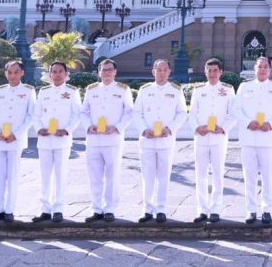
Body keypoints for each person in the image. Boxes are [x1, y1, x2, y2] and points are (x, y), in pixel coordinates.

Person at [234, 55, 272, 225]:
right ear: (255, 69)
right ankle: (251, 209)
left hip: (268, 138)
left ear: (270, 70)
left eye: (266, 67)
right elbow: (236, 109)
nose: (263, 69)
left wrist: (271, 124)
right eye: (260, 67)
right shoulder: (244, 87)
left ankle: (267, 209)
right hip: (248, 137)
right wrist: (247, 122)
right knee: (249, 176)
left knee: (267, 176)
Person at [134, 58, 188, 224]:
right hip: (148, 140)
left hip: (165, 140)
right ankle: (147, 209)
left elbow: (182, 113)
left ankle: (161, 209)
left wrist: (170, 128)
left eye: (165, 70)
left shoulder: (176, 90)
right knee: (147, 176)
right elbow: (137, 113)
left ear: (169, 72)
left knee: (164, 176)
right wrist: (144, 129)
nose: (162, 73)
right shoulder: (144, 90)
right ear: (153, 72)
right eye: (159, 70)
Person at [81, 58, 134, 223]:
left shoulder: (123, 90)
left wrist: (117, 127)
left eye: (110, 69)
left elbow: (129, 112)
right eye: (104, 70)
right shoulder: (91, 89)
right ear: (99, 72)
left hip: (112, 138)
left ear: (115, 72)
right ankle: (96, 209)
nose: (107, 73)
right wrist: (89, 126)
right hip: (94, 139)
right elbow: (84, 112)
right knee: (94, 176)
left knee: (112, 175)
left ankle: (110, 209)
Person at [0, 60, 36, 223]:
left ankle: (9, 210)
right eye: (9, 72)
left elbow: (30, 116)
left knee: (12, 176)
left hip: (16, 139)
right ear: (5, 73)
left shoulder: (28, 91)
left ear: (22, 73)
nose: (12, 75)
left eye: (16, 72)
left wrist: (18, 133)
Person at [33, 61, 83, 223]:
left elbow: (77, 115)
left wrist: (67, 129)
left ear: (66, 74)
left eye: (60, 71)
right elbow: (36, 115)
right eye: (54, 71)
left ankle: (59, 209)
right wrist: (40, 128)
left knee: (60, 174)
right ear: (49, 74)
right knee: (45, 175)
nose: (57, 74)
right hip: (45, 139)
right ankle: (45, 209)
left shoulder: (72, 92)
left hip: (62, 139)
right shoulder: (43, 92)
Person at [189, 57, 236, 223]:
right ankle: (202, 209)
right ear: (205, 72)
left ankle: (215, 208)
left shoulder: (228, 90)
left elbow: (232, 114)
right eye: (209, 70)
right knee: (200, 175)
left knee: (217, 174)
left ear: (221, 72)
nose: (212, 73)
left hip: (218, 137)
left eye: (215, 70)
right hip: (201, 137)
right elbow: (192, 114)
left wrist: (222, 128)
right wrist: (197, 128)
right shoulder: (199, 90)